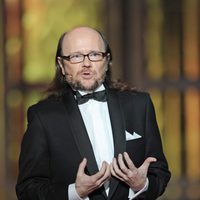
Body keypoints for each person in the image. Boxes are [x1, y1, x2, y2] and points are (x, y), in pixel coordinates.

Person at [16, 26, 171, 200]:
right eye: (76, 56)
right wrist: (75, 192)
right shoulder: (42, 117)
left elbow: (160, 173)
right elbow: (27, 189)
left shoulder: (139, 105)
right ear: (61, 65)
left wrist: (142, 184)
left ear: (107, 60)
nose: (87, 63)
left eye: (95, 54)